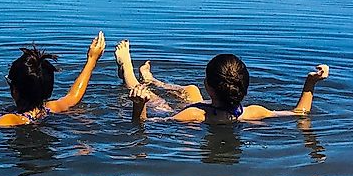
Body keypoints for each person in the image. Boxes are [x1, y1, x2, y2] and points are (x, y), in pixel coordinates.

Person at [114, 39, 329, 124]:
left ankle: (129, 73)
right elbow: (299, 113)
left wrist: (139, 105)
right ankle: (153, 79)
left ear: (209, 86)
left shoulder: (193, 115)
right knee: (190, 89)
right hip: (217, 106)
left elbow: (144, 124)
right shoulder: (254, 112)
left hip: (195, 110)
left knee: (151, 97)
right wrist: (310, 84)